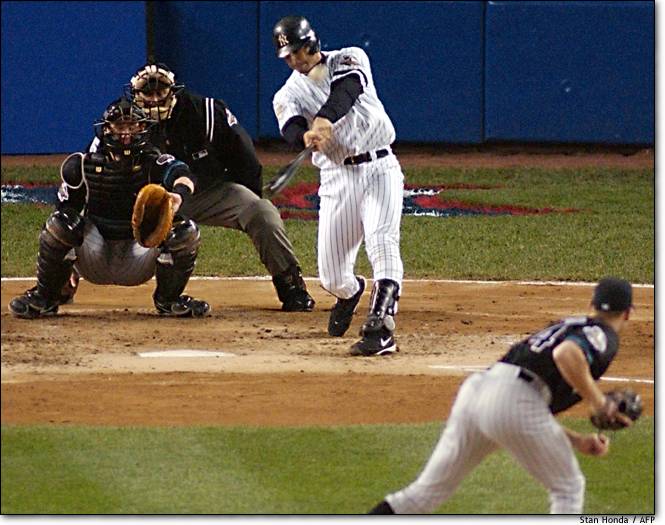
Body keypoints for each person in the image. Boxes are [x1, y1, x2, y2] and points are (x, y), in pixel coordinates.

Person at [366, 277, 634, 514]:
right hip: (514, 399)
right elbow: (565, 355)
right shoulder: (602, 334)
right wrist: (600, 402)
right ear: (627, 314)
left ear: (593, 305)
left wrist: (576, 440)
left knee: (422, 496)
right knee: (569, 488)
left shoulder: (571, 324)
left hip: (479, 390)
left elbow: (525, 410)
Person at [107, 62, 314, 313]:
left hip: (207, 192)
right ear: (135, 95)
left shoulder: (205, 112)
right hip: (147, 198)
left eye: (160, 92)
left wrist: (249, 197)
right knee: (91, 208)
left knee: (261, 211)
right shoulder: (123, 120)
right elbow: (98, 168)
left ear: (173, 92)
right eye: (147, 93)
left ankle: (291, 285)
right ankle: (61, 280)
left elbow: (244, 156)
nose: (153, 99)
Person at [271, 16, 405, 356]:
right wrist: (305, 135)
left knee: (382, 240)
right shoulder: (286, 94)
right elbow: (290, 126)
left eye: (297, 51)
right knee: (331, 277)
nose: (294, 60)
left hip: (380, 167)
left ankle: (381, 325)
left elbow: (346, 92)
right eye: (288, 55)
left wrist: (325, 119)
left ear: (311, 44)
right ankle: (350, 292)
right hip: (336, 178)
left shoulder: (350, 56)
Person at [9, 97, 209, 318]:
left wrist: (178, 195)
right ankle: (45, 297)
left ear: (143, 128)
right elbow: (62, 213)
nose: (126, 134)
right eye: (120, 126)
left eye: (132, 126)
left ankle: (169, 301)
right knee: (61, 223)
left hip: (139, 253)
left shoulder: (154, 162)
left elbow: (184, 174)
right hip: (94, 253)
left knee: (185, 231)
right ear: (107, 129)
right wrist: (65, 269)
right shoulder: (82, 165)